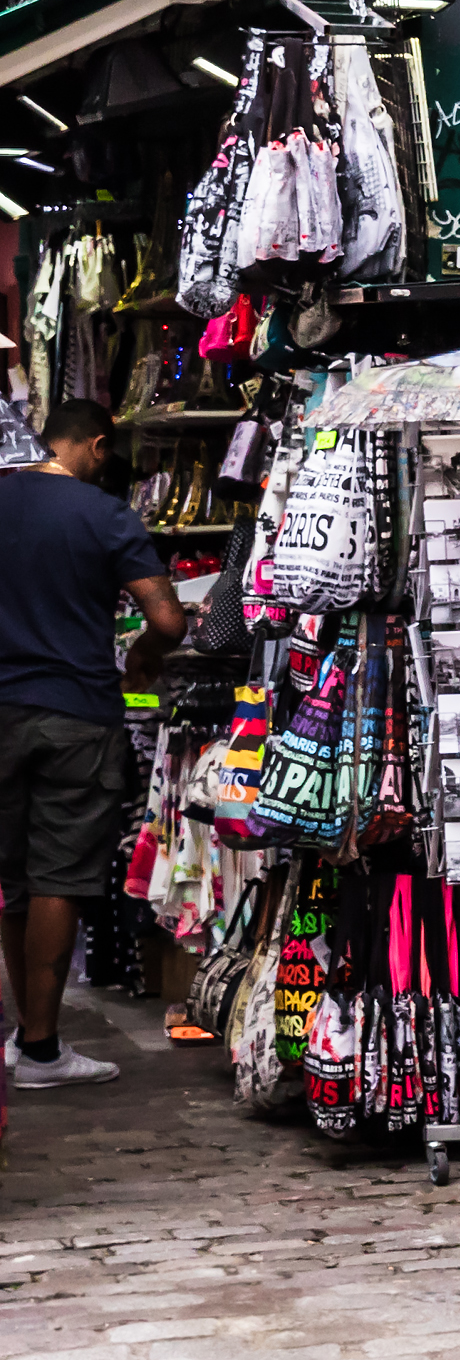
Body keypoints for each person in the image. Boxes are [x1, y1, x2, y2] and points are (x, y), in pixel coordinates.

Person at [0, 402, 180, 1093]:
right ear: (97, 446)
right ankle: (41, 1050)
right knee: (58, 879)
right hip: (76, 715)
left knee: (15, 879)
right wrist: (145, 654)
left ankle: (26, 1035)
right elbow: (167, 617)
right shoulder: (104, 514)